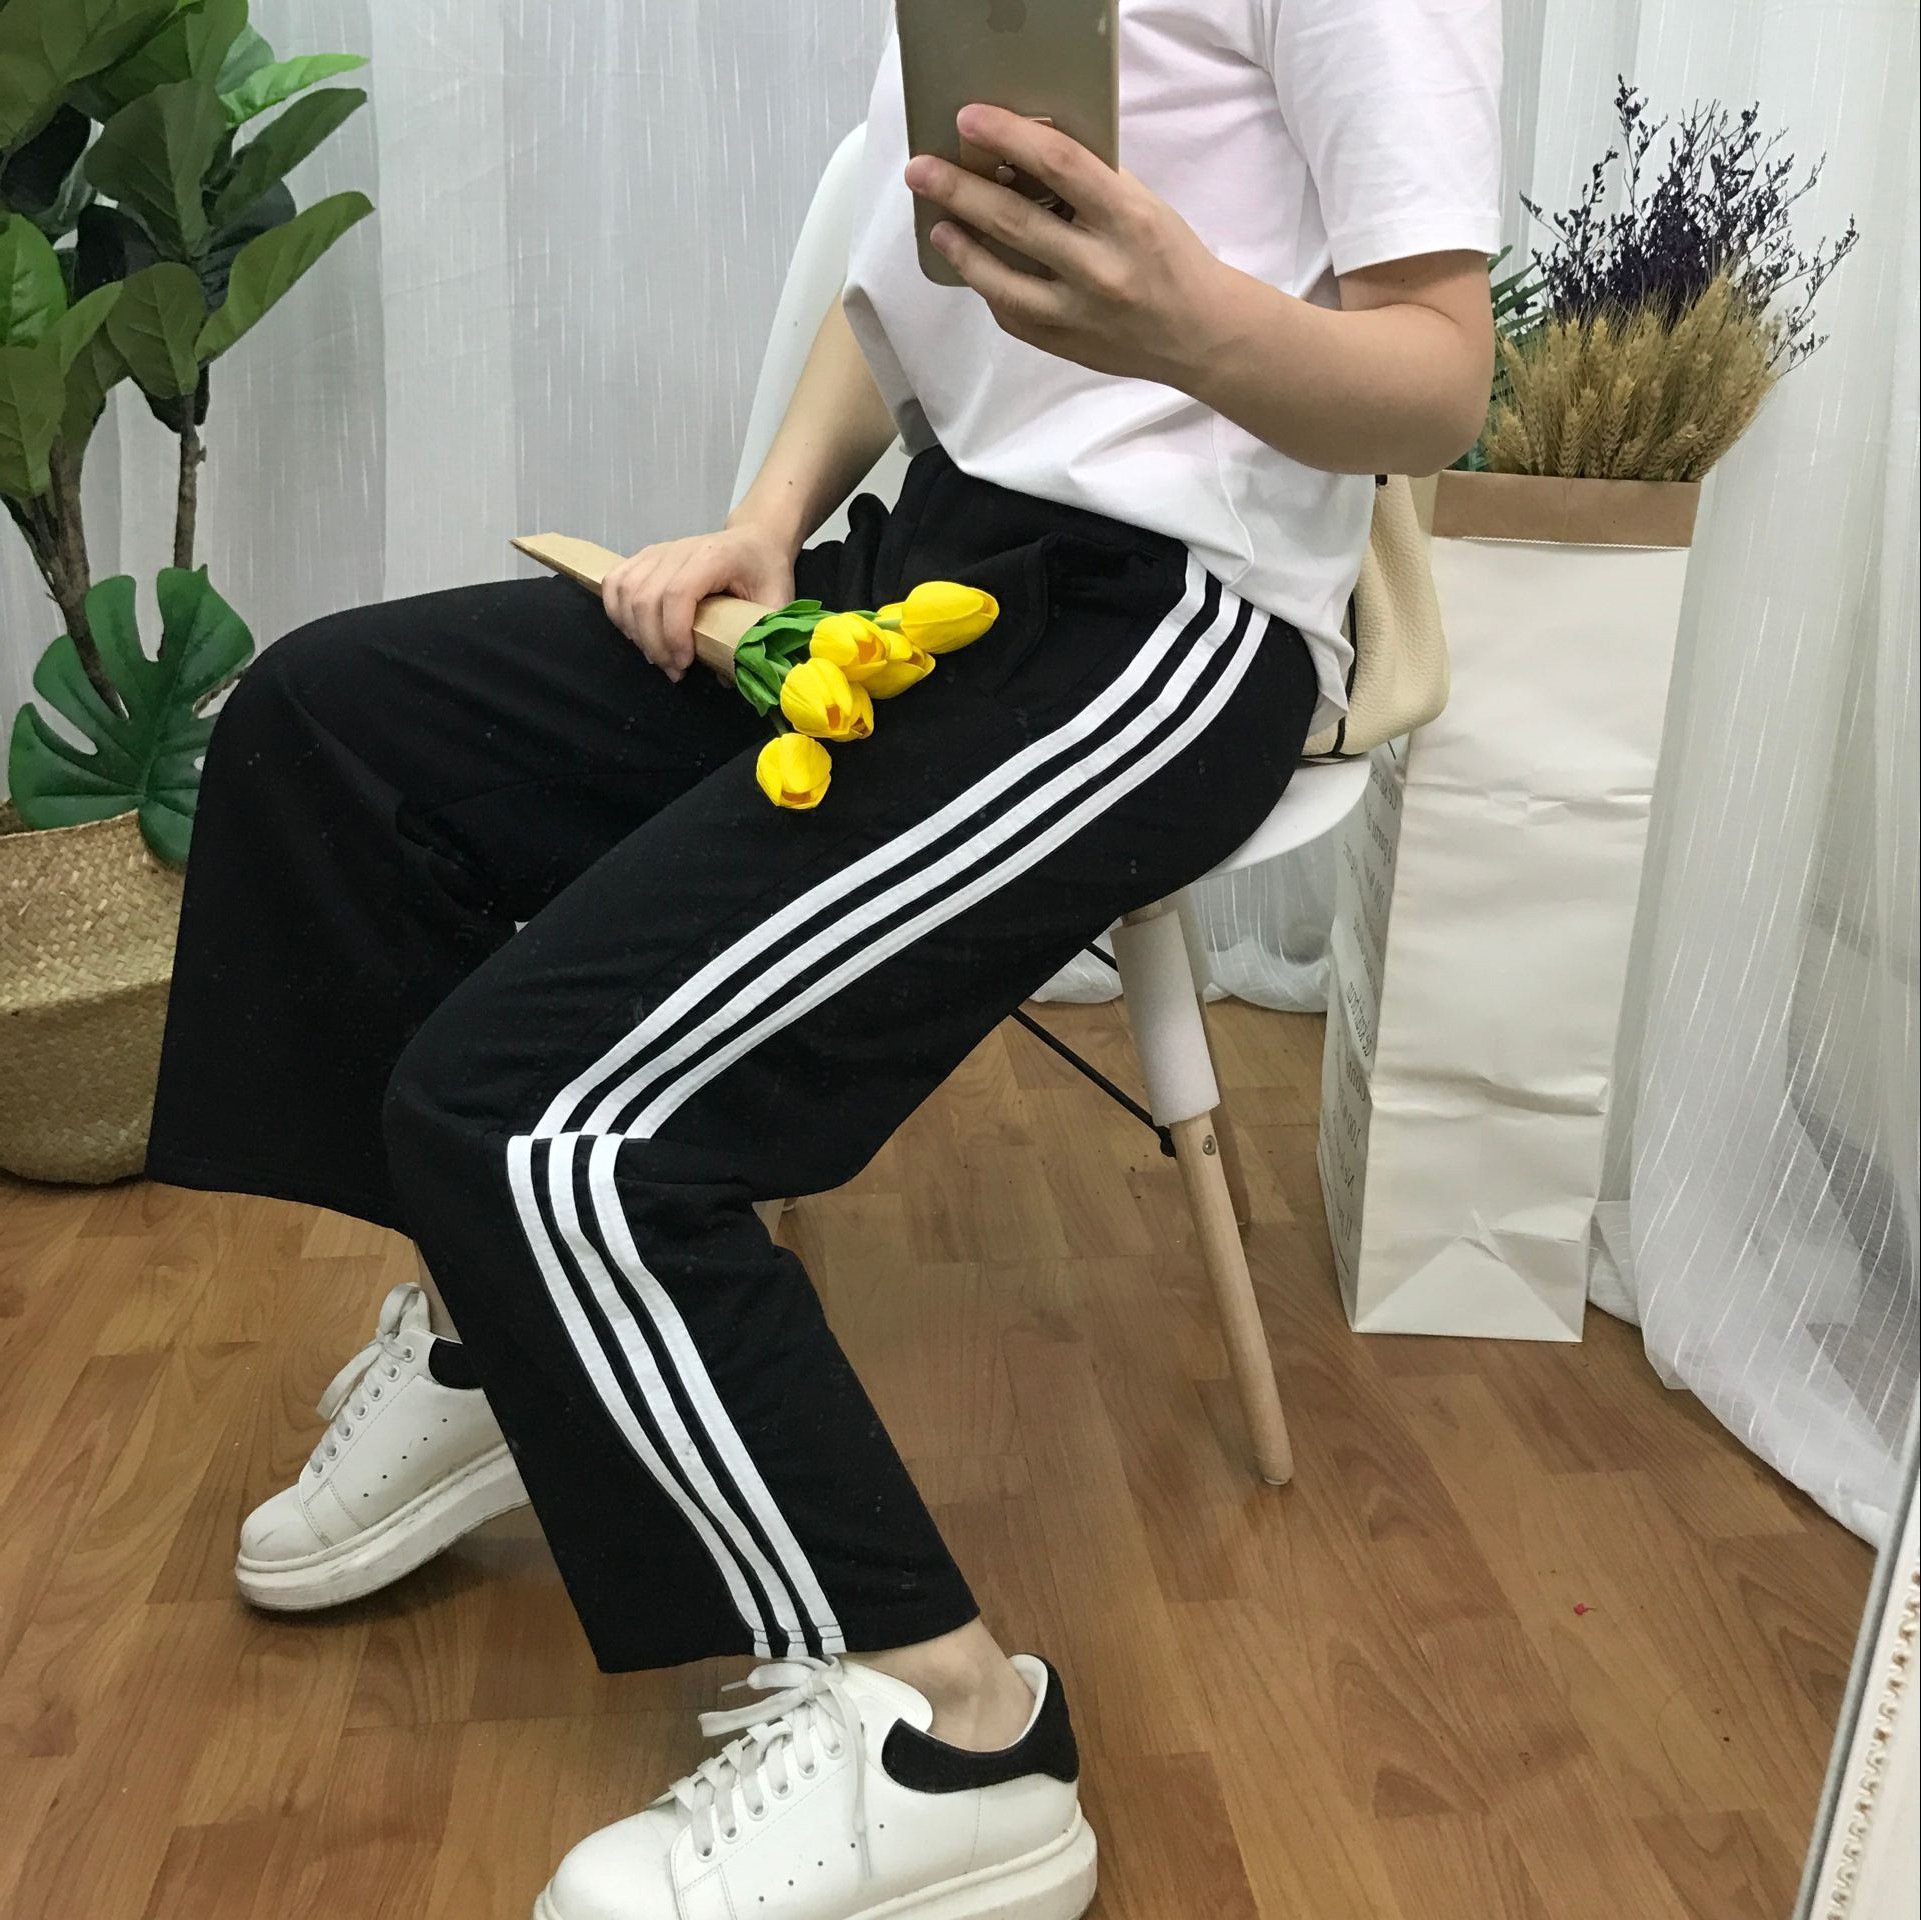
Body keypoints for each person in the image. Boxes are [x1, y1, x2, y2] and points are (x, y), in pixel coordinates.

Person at [147, 3, 1501, 1914]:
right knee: (322, 731)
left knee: (543, 1117)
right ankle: (499, 1341)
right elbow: (898, 283)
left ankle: (961, 1732)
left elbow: (1439, 383)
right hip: (934, 567)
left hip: (1168, 621)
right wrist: (765, 522)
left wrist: (1187, 320)